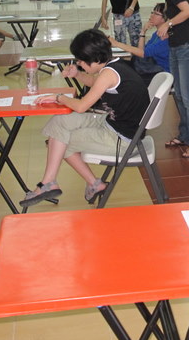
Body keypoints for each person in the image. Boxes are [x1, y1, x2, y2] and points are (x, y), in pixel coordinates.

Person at [21, 29, 150, 207]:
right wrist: (77, 74)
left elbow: (82, 106)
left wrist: (58, 98)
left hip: (122, 140)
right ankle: (76, 184)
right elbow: (95, 83)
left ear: (94, 58)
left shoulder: (108, 74)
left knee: (59, 142)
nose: (79, 63)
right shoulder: (115, 66)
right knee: (60, 122)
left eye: (81, 60)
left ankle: (50, 184)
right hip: (114, 124)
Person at [138, 0, 189, 158]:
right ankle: (185, 135)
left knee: (188, 96)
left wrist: (168, 24)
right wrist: (169, 28)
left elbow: (188, 12)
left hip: (187, 47)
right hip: (176, 47)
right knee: (180, 95)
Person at [108, 3, 170, 84]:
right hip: (147, 66)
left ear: (164, 18)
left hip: (158, 72)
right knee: (116, 65)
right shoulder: (156, 34)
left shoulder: (165, 38)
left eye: (156, 14)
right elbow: (141, 51)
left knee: (121, 73)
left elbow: (143, 53)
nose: (151, 15)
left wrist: (117, 44)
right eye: (152, 12)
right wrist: (143, 31)